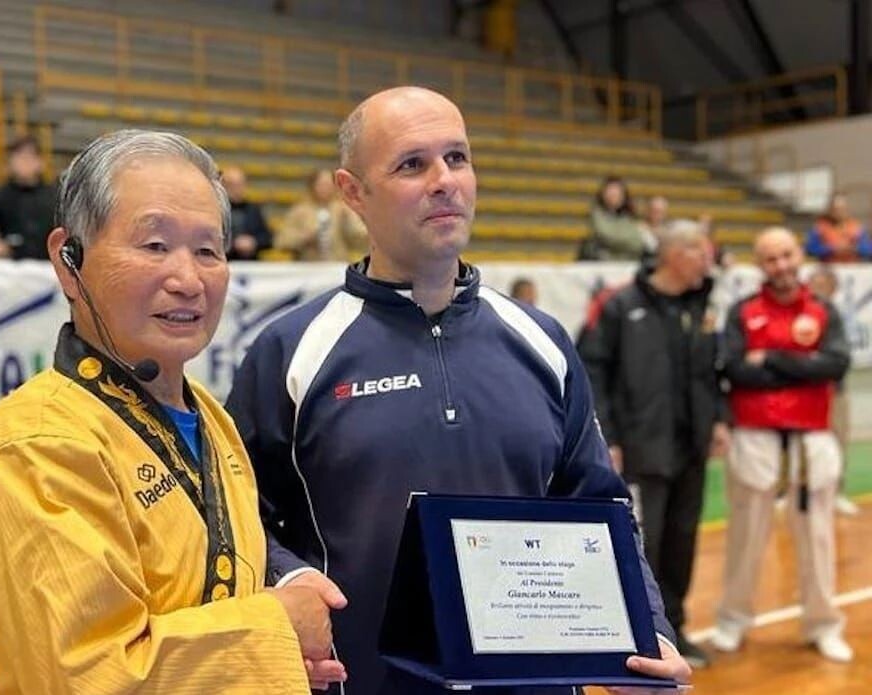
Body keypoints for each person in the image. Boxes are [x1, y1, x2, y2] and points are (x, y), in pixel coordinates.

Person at [226, 86, 690, 695]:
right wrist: (288, 580)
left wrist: (645, 627)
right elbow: (234, 516)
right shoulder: (291, 351)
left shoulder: (541, 338)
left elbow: (599, 506)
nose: (444, 180)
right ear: (353, 193)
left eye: (458, 158)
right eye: (412, 164)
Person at [0, 130, 347, 693]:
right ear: (69, 262)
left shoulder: (211, 418)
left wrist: (279, 661)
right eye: (155, 246)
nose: (187, 280)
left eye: (208, 250)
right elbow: (83, 676)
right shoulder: (35, 444)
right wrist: (277, 629)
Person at [578, 220, 730, 669]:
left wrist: (718, 420)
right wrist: (611, 437)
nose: (708, 260)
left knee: (683, 542)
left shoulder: (701, 306)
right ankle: (645, 637)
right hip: (643, 450)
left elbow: (710, 372)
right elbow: (592, 373)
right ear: (673, 253)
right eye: (701, 251)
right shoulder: (621, 305)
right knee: (647, 545)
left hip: (691, 447)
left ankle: (677, 630)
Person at [712, 227, 853, 663]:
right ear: (760, 264)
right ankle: (732, 621)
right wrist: (801, 366)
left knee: (817, 538)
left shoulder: (823, 309)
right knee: (746, 535)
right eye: (771, 259)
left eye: (787, 255)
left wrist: (771, 358)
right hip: (755, 434)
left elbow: (835, 363)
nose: (782, 266)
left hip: (812, 436)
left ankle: (823, 624)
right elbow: (735, 369)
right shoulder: (743, 311)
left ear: (799, 255)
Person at [806, 265, 860, 517]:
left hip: (834, 390)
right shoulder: (800, 313)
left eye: (823, 283)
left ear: (833, 287)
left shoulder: (839, 316)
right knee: (797, 444)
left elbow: (840, 356)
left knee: (837, 440)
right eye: (813, 283)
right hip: (804, 390)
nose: (818, 288)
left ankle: (837, 491)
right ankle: (790, 492)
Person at [0, 135, 59, 260]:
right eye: (19, 157)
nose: (24, 163)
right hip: (12, 267)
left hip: (48, 266)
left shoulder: (55, 196)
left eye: (29, 158)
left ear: (40, 162)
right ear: (10, 161)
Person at [276, 169, 368, 261]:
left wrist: (349, 221)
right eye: (322, 185)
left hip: (337, 264)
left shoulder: (342, 209)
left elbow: (361, 239)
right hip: (307, 266)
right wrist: (304, 238)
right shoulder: (299, 211)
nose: (325, 188)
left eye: (329, 185)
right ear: (312, 186)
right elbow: (281, 241)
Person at [582, 176, 647, 261]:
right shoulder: (596, 214)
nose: (614, 195)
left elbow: (638, 244)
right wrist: (632, 238)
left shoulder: (628, 217)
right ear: (603, 194)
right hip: (603, 264)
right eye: (610, 191)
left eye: (617, 192)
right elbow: (607, 236)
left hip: (628, 264)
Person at [221, 166, 273, 260]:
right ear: (223, 186)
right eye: (232, 185)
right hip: (225, 260)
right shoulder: (217, 210)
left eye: (240, 184)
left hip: (251, 264)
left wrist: (254, 242)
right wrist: (233, 244)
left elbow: (267, 238)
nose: (236, 189)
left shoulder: (253, 210)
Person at [804, 193, 872, 262]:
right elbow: (810, 249)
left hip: (853, 267)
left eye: (842, 209)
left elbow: (868, 249)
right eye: (836, 209)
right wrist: (832, 249)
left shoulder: (856, 227)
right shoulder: (820, 227)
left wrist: (853, 248)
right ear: (830, 209)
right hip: (828, 268)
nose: (839, 212)